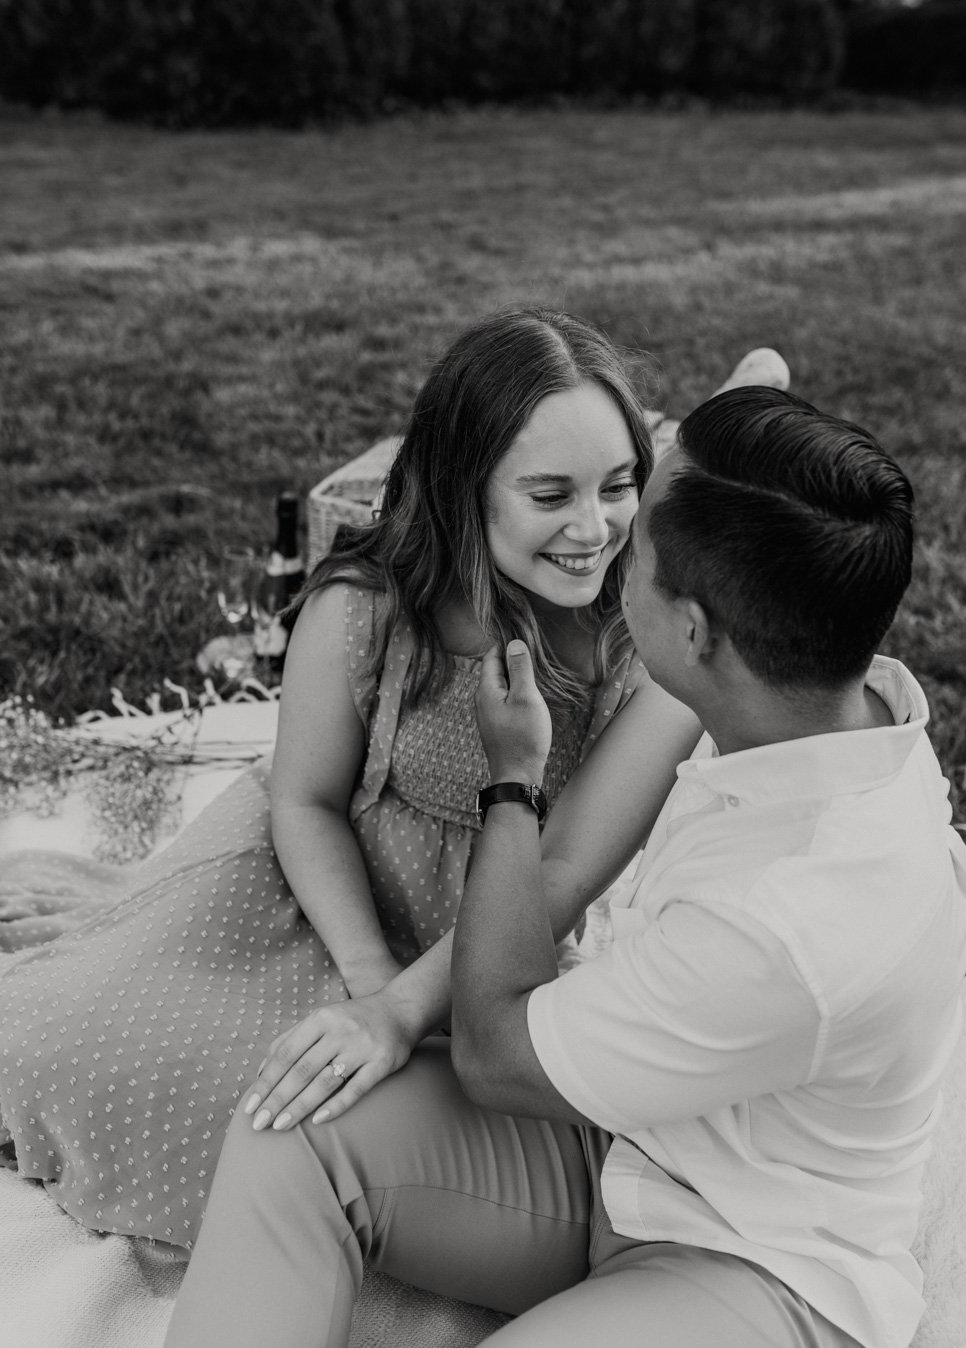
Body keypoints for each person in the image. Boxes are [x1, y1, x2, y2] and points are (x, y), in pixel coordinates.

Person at [164, 387, 966, 1348]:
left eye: (638, 543)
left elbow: (496, 1052)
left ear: (693, 633)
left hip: (750, 1258)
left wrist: (511, 782)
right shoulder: (820, 695)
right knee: (294, 1132)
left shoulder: (791, 921)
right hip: (612, 1143)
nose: (608, 536)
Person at [0, 306, 709, 1251]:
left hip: (491, 939)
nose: (594, 528)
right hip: (306, 882)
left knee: (338, 1132)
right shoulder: (367, 606)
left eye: (619, 485)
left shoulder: (643, 641)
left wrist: (400, 1012)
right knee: (103, 1048)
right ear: (467, 493)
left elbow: (560, 876)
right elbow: (303, 800)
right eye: (550, 496)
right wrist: (367, 979)